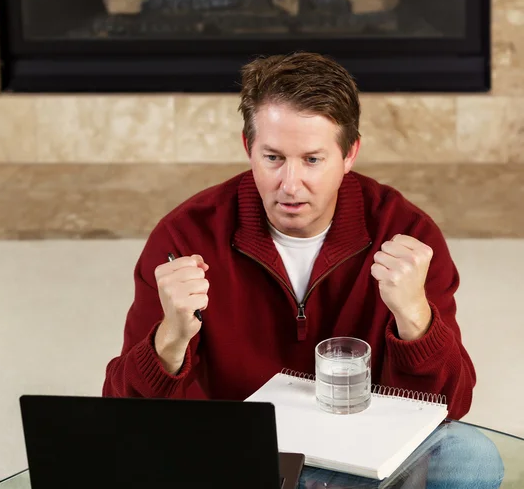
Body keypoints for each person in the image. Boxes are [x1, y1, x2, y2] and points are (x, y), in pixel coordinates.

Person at [102, 52, 476, 420]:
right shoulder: (183, 238)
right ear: (248, 148)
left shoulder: (408, 235)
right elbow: (124, 412)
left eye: (312, 160)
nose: (290, 185)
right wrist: (171, 338)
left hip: (366, 443)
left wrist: (415, 318)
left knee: (473, 459)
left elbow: (450, 407)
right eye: (273, 158)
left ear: (350, 154)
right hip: (242, 450)